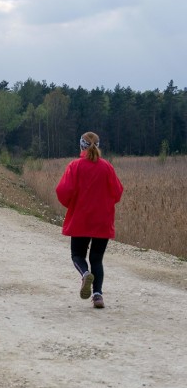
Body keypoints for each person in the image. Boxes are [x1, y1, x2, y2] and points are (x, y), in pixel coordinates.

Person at [56, 132, 123, 309]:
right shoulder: (107, 167)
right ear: (98, 146)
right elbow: (117, 192)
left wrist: (71, 204)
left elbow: (62, 191)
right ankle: (98, 296)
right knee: (97, 259)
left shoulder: (75, 166)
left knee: (77, 255)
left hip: (81, 219)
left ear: (81, 146)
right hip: (102, 220)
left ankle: (85, 274)